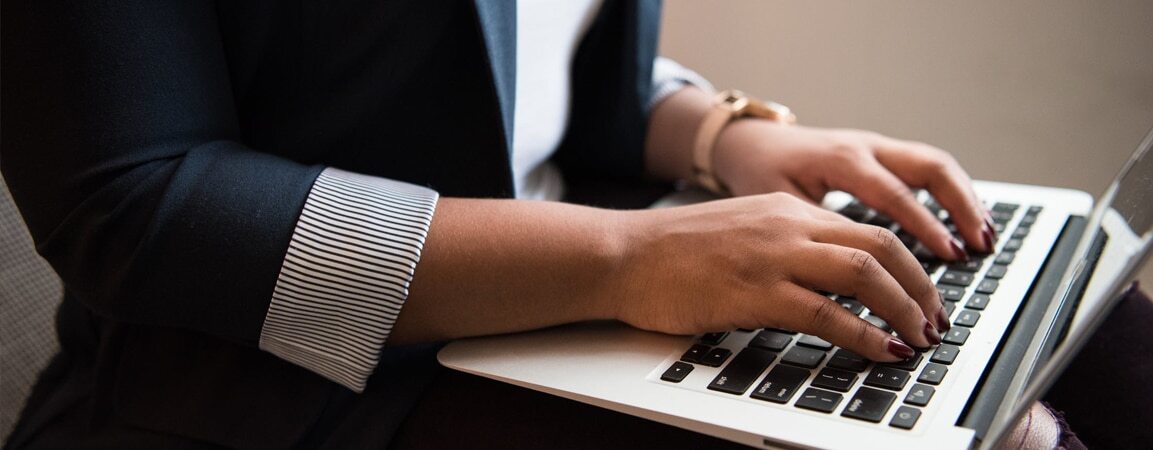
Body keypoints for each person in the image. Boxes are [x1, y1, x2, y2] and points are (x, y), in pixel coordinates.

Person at [3, 1, 1134, 448]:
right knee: (997, 433)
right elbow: (132, 202)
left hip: (582, 293)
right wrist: (629, 257)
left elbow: (530, 67)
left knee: (1098, 329)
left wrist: (722, 138)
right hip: (276, 392)